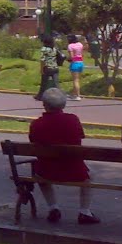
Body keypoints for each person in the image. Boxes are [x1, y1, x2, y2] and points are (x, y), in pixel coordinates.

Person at [29, 88, 99, 224]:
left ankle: (53, 207)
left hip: (46, 171)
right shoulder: (73, 120)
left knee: (39, 173)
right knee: (91, 175)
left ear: (44, 104)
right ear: (64, 104)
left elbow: (33, 142)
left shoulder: (36, 124)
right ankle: (85, 211)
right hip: (75, 171)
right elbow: (79, 138)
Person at [36, 34, 59, 100]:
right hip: (55, 67)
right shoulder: (54, 49)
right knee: (56, 84)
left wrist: (41, 69)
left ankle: (40, 96)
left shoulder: (44, 49)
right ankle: (59, 96)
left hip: (47, 68)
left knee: (44, 83)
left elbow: (42, 60)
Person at [66, 34, 85, 100]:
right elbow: (82, 54)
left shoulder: (70, 46)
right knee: (77, 79)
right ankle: (74, 94)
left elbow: (71, 56)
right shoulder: (80, 44)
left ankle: (78, 95)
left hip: (75, 63)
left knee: (75, 80)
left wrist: (67, 59)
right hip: (81, 63)